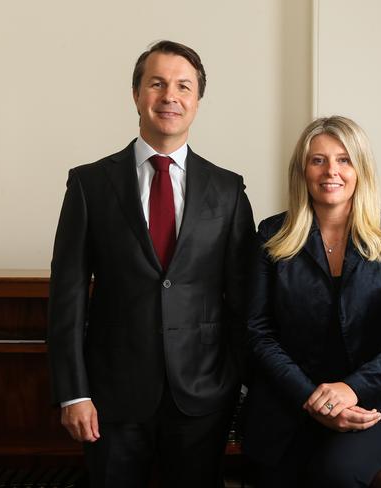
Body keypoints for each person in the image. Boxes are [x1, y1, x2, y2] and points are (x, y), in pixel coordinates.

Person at [47, 40, 255, 488]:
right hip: (110, 398)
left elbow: (243, 301)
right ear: (137, 93)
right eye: (157, 83)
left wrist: (237, 386)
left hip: (203, 397)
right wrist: (74, 392)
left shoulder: (228, 190)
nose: (170, 96)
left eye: (184, 86)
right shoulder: (89, 184)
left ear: (198, 100)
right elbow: (67, 300)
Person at [244, 116, 381, 487]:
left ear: (360, 168)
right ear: (302, 171)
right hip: (289, 402)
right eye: (318, 160)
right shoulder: (271, 235)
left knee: (337, 473)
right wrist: (312, 398)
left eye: (344, 159)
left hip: (371, 405)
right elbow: (258, 333)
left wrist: (351, 390)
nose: (330, 170)